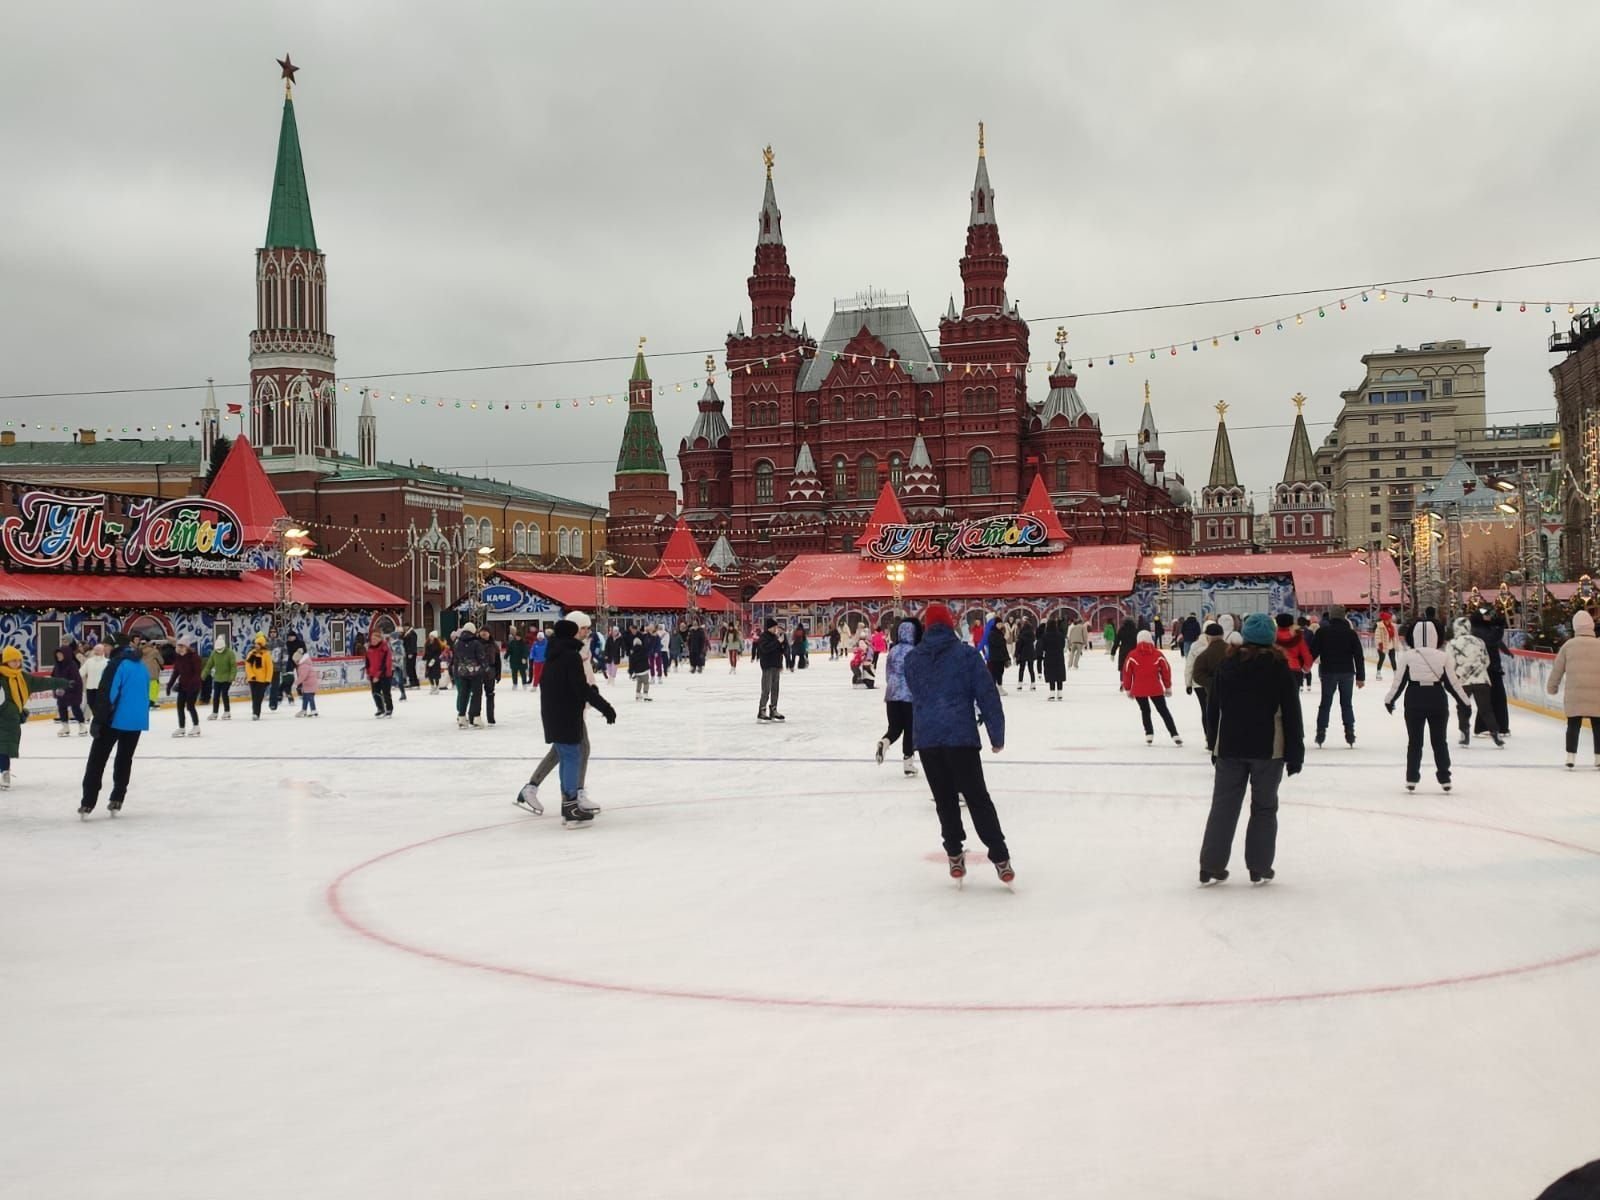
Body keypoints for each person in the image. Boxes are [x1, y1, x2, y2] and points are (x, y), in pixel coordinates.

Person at [903, 603, 1013, 885]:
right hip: (960, 737)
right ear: (951, 624)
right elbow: (987, 695)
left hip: (928, 740)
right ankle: (1000, 857)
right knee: (977, 798)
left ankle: (954, 854)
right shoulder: (966, 656)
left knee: (945, 800)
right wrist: (996, 735)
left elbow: (916, 691)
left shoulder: (913, 659)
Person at [1197, 612, 1305, 885]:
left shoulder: (1227, 664)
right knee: (1264, 807)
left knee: (1223, 806)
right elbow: (1292, 713)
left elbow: (1214, 709)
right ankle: (1259, 865)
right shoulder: (1278, 667)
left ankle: (1211, 865)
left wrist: (1213, 743)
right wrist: (1295, 753)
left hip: (1230, 747)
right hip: (1268, 750)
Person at [518, 618, 617, 826]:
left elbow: (559, 685)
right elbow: (579, 688)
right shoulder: (570, 656)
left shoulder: (553, 655)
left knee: (566, 754)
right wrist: (604, 707)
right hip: (567, 714)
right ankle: (570, 805)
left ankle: (568, 802)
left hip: (554, 714)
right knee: (572, 755)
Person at [1384, 621, 1467, 793]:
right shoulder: (1443, 657)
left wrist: (1390, 699)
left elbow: (1399, 682)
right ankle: (1445, 777)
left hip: (1414, 698)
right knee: (1439, 741)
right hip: (1437, 698)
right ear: (1436, 636)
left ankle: (1411, 777)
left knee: (1415, 742)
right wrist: (1464, 702)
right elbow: (1453, 684)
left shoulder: (1407, 656)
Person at [79, 636, 150, 817]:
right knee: (124, 759)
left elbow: (107, 695)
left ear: (114, 646)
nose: (105, 649)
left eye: (107, 645)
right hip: (136, 721)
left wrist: (98, 721)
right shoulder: (141, 665)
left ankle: (88, 801)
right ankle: (117, 798)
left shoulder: (116, 664)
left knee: (97, 760)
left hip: (114, 720)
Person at [0, 645, 61, 790]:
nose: (16, 663)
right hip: (6, 715)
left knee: (4, 748)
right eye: (13, 661)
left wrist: (62, 682)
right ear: (6, 661)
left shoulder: (22, 677)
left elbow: (42, 682)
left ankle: (5, 773)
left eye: (18, 660)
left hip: (9, 721)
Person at [1547, 609, 1600, 770]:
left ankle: (1571, 757)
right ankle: (1598, 758)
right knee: (1598, 727)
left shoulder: (1568, 645)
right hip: (1597, 694)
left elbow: (1557, 669)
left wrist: (1552, 687)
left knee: (1573, 726)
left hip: (1575, 694)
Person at [1309, 604, 1365, 748]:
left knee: (1325, 703)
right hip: (1347, 672)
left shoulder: (1322, 632)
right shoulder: (1350, 633)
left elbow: (1313, 651)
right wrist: (1360, 677)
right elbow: (1358, 655)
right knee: (1346, 703)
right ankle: (1349, 731)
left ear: (1331, 616)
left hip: (1328, 672)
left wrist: (1305, 666)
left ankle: (1320, 732)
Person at [1445, 616, 1503, 748]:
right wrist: (1478, 670)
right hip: (1481, 679)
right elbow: (1486, 661)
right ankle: (1495, 733)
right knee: (1486, 709)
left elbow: (1450, 663)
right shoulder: (1479, 642)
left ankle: (1464, 734)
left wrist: (1457, 674)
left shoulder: (1452, 644)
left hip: (1462, 681)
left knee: (1463, 708)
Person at [1121, 630, 1182, 746]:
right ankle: (1174, 734)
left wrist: (1128, 688)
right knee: (1164, 711)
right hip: (1155, 688)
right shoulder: (1157, 654)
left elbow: (1126, 672)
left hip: (1139, 689)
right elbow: (1166, 670)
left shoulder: (1132, 655)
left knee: (1145, 711)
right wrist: (1167, 686)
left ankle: (1149, 734)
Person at [876, 619, 920, 774]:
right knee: (909, 729)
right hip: (908, 696)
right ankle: (908, 763)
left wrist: (892, 687)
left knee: (894, 727)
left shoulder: (893, 651)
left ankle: (885, 742)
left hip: (892, 694)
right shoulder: (914, 651)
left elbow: (888, 673)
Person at [1187, 622, 1227, 753]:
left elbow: (1196, 674)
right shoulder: (1232, 650)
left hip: (1212, 693)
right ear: (1222, 635)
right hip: (1232, 693)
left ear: (1208, 636)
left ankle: (1212, 745)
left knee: (1212, 717)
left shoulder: (1204, 655)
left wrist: (1212, 682)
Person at [166, 637, 203, 737]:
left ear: (187, 647)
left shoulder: (194, 657)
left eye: (182, 646)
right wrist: (169, 685)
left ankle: (196, 727)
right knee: (180, 707)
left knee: (190, 706)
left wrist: (192, 686)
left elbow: (197, 674)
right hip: (183, 686)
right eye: (178, 646)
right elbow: (176, 672)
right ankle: (181, 728)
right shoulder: (179, 657)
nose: (180, 648)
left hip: (193, 686)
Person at [52, 642, 86, 737]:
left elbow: (76, 680)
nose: (58, 656)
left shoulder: (72, 665)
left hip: (73, 691)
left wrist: (67, 688)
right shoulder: (57, 666)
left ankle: (82, 725)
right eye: (57, 655)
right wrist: (55, 688)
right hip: (61, 691)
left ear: (66, 654)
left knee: (75, 708)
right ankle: (65, 726)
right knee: (61, 707)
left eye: (60, 654)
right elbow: (53, 677)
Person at [756, 617, 786, 722]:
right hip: (767, 666)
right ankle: (762, 710)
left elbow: (780, 651)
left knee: (775, 689)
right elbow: (765, 649)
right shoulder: (763, 637)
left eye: (776, 627)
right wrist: (777, 642)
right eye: (774, 627)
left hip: (776, 666)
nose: (775, 629)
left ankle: (773, 709)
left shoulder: (775, 637)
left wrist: (783, 642)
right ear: (769, 627)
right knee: (766, 689)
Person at [1274, 613, 1314, 692]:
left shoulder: (1272, 637)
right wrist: (1306, 667)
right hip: (1294, 669)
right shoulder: (1297, 637)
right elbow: (1306, 654)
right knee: (1292, 699)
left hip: (1276, 669)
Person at [202, 634, 237, 720]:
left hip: (227, 678)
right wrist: (203, 674)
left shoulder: (230, 653)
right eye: (217, 649)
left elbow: (233, 666)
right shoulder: (214, 653)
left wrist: (232, 676)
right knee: (216, 695)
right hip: (217, 678)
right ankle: (215, 712)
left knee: (224, 694)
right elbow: (209, 665)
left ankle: (227, 712)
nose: (219, 651)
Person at [364, 631, 395, 718]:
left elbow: (385, 663)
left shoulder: (384, 648)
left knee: (386, 692)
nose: (373, 640)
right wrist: (368, 672)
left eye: (375, 639)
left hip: (384, 674)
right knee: (375, 692)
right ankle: (380, 708)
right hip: (373, 674)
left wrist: (378, 675)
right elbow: (367, 662)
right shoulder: (369, 648)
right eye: (372, 639)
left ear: (379, 639)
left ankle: (389, 709)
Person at [244, 633, 275, 720]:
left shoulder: (266, 655)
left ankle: (257, 712)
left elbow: (270, 668)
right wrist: (251, 675)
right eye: (255, 644)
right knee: (254, 697)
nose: (256, 646)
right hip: (252, 679)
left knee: (259, 697)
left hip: (262, 680)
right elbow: (248, 666)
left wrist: (268, 679)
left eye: (258, 644)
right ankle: (255, 713)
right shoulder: (251, 654)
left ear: (262, 645)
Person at [82, 642, 111, 730]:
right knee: (91, 704)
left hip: (101, 688)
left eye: (99, 650)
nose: (97, 651)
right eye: (96, 650)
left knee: (100, 706)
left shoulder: (107, 662)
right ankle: (99, 720)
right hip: (90, 687)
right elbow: (82, 671)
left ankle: (101, 723)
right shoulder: (89, 661)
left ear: (103, 651)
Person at [478, 626, 501, 725]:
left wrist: (498, 674)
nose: (484, 633)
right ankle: (475, 716)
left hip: (490, 672)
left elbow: (498, 661)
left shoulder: (494, 645)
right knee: (476, 695)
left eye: (486, 632)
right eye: (482, 632)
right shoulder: (476, 643)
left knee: (490, 695)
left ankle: (490, 717)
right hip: (478, 672)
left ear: (489, 633)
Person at [1040, 616, 1067, 700]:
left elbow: (1043, 647)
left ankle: (1052, 693)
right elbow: (1063, 645)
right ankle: (1060, 693)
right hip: (1059, 657)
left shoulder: (1045, 636)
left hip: (1049, 657)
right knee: (1059, 674)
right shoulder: (1060, 635)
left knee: (1051, 674)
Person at [628, 629, 653, 701]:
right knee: (646, 682)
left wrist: (630, 672)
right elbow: (649, 647)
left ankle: (638, 694)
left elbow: (631, 664)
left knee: (639, 682)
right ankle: (645, 694)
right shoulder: (644, 649)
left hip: (637, 671)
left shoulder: (632, 653)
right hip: (644, 670)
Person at [293, 648, 319, 716]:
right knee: (305, 697)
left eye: (295, 661)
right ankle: (304, 710)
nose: (295, 663)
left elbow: (302, 676)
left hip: (309, 684)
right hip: (309, 683)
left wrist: (296, 683)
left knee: (310, 697)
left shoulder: (303, 666)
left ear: (298, 660)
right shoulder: (305, 664)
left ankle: (313, 710)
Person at [1373, 610, 1399, 680]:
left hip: (1391, 645)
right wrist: (1380, 644)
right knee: (1381, 659)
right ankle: (1378, 673)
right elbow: (1377, 636)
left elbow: (1395, 636)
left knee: (1393, 660)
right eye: (1389, 618)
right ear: (1386, 619)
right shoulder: (1380, 626)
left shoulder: (1393, 626)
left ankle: (1395, 673)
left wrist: (1397, 644)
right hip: (1383, 646)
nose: (1391, 619)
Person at [140, 639, 163, 710]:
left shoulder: (138, 652)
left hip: (142, 673)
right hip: (152, 673)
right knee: (154, 687)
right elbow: (161, 661)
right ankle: (151, 702)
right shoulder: (154, 651)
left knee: (145, 689)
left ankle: (145, 703)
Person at [1015, 619, 1037, 691]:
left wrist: (1016, 653)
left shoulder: (1022, 634)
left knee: (1022, 669)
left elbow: (1019, 645)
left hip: (1023, 653)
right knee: (1031, 669)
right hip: (1030, 652)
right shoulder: (1032, 634)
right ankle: (1033, 684)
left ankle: (1020, 684)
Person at [401, 623, 420, 689]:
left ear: (408, 626)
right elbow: (403, 639)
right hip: (408, 653)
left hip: (411, 653)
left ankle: (413, 682)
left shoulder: (412, 633)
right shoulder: (406, 633)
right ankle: (414, 682)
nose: (404, 628)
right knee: (410, 668)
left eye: (405, 626)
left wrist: (410, 653)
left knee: (410, 668)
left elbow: (412, 644)